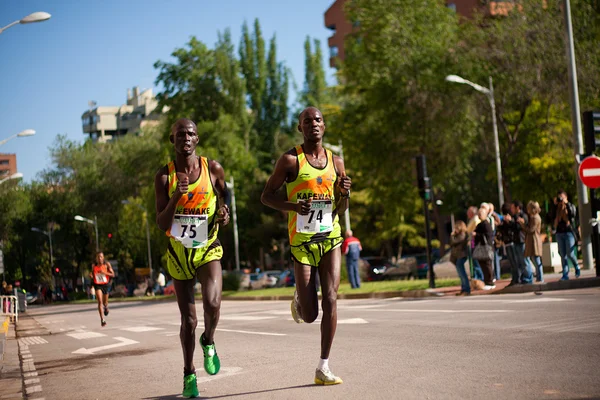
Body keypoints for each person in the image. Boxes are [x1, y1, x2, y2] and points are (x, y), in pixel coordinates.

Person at [261, 106, 351, 385]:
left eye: (318, 120)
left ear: (324, 126)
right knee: (310, 315)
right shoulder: (290, 160)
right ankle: (300, 299)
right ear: (300, 128)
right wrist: (293, 207)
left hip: (330, 237)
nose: (313, 123)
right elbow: (266, 196)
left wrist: (345, 193)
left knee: (332, 299)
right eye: (307, 120)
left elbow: (340, 208)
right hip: (301, 242)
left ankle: (323, 366)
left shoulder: (336, 162)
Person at [154, 118, 230, 398]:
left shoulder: (213, 169)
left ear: (197, 139)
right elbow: (162, 223)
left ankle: (208, 341)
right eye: (180, 134)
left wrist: (224, 212)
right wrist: (176, 197)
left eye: (190, 134)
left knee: (213, 303)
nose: (185, 138)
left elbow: (225, 197)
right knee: (189, 321)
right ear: (172, 140)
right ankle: (189, 374)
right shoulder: (164, 176)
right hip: (178, 252)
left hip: (207, 247)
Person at [554, 190, 580, 280]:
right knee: (562, 254)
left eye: (562, 197)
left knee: (570, 253)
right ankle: (565, 274)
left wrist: (567, 203)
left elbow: (573, 213)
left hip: (569, 232)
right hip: (559, 233)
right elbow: (549, 217)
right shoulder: (556, 208)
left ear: (566, 197)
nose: (560, 199)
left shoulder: (570, 206)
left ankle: (576, 266)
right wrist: (554, 205)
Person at [90, 251, 115, 327]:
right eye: (98, 257)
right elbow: (93, 274)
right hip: (97, 285)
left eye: (101, 257)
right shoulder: (94, 265)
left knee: (105, 303)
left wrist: (105, 273)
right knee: (100, 301)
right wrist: (91, 275)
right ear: (96, 258)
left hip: (105, 285)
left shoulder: (107, 264)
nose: (99, 258)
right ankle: (102, 320)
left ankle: (106, 307)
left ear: (103, 257)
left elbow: (113, 274)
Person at [474, 207, 495, 290]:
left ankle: (490, 281)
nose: (479, 215)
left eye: (481, 214)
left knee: (487, 264)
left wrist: (477, 235)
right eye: (478, 214)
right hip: (481, 247)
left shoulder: (486, 224)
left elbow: (488, 236)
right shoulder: (480, 224)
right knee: (483, 265)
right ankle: (486, 281)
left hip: (486, 247)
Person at [522, 201, 544, 283]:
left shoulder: (535, 218)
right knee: (535, 259)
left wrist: (523, 225)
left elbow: (531, 230)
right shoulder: (534, 217)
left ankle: (540, 277)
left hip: (535, 240)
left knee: (537, 259)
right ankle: (539, 276)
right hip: (533, 240)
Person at [450, 221, 470, 296]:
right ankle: (463, 288)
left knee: (462, 273)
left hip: (462, 255)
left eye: (456, 227)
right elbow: (452, 243)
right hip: (458, 256)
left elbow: (454, 242)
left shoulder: (462, 234)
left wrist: (452, 236)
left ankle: (466, 289)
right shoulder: (458, 235)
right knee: (460, 273)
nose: (455, 229)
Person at [466, 206, 484, 281]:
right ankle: (476, 277)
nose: (467, 213)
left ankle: (479, 277)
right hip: (472, 241)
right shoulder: (472, 220)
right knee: (473, 261)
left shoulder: (475, 220)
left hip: (474, 242)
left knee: (475, 260)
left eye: (468, 212)